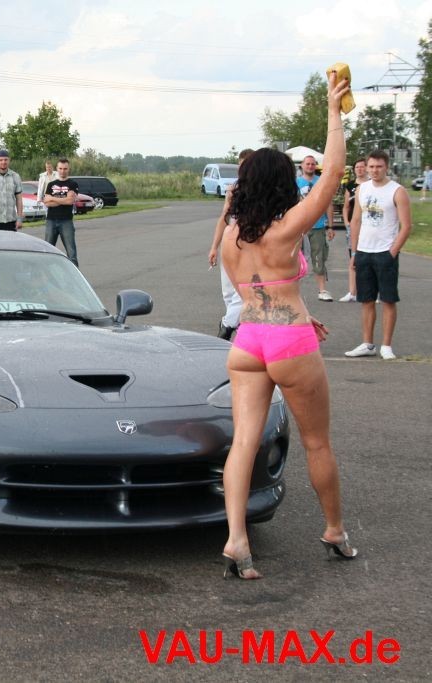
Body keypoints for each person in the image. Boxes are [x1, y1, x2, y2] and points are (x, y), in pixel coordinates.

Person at [219, 73, 357, 579]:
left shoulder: (232, 233)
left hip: (248, 339)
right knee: (317, 442)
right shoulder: (286, 227)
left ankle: (236, 540)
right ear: (281, 184)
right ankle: (334, 530)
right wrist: (334, 112)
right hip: (288, 340)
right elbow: (333, 173)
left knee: (243, 442)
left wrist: (299, 309)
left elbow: (254, 291)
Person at [344, 150, 412, 360]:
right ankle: (367, 343)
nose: (374, 170)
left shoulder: (397, 191)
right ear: (366, 167)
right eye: (371, 166)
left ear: (386, 167)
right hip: (364, 251)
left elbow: (406, 226)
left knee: (388, 300)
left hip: (385, 252)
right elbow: (356, 221)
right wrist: (355, 251)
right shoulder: (362, 189)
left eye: (379, 166)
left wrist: (392, 252)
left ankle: (386, 345)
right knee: (366, 300)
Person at [209, 149, 253, 340]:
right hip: (229, 245)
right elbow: (224, 218)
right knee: (228, 293)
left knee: (241, 291)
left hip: (247, 247)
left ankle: (227, 325)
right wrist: (214, 246)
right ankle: (237, 326)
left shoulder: (261, 189)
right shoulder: (233, 189)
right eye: (241, 165)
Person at [297, 155, 336, 301]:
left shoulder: (321, 182)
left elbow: (328, 204)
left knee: (319, 258)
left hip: (318, 226)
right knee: (296, 259)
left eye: (313, 164)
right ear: (302, 165)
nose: (310, 166)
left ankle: (322, 290)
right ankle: (294, 292)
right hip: (300, 226)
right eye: (307, 164)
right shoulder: (296, 183)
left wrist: (330, 226)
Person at [338, 159, 368, 302]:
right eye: (357, 167)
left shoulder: (370, 185)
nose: (360, 169)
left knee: (367, 259)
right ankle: (352, 292)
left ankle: (369, 291)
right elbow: (346, 207)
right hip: (353, 226)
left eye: (362, 167)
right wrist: (346, 223)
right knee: (353, 258)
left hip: (367, 226)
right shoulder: (350, 186)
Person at [42, 158, 79, 265]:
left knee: (71, 253)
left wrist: (53, 198)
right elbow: (47, 203)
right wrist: (64, 199)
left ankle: (75, 275)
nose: (63, 171)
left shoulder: (73, 184)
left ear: (69, 169)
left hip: (66, 221)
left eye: (65, 169)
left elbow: (70, 201)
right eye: (60, 168)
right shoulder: (51, 184)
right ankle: (47, 274)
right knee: (47, 251)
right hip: (51, 220)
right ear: (57, 169)